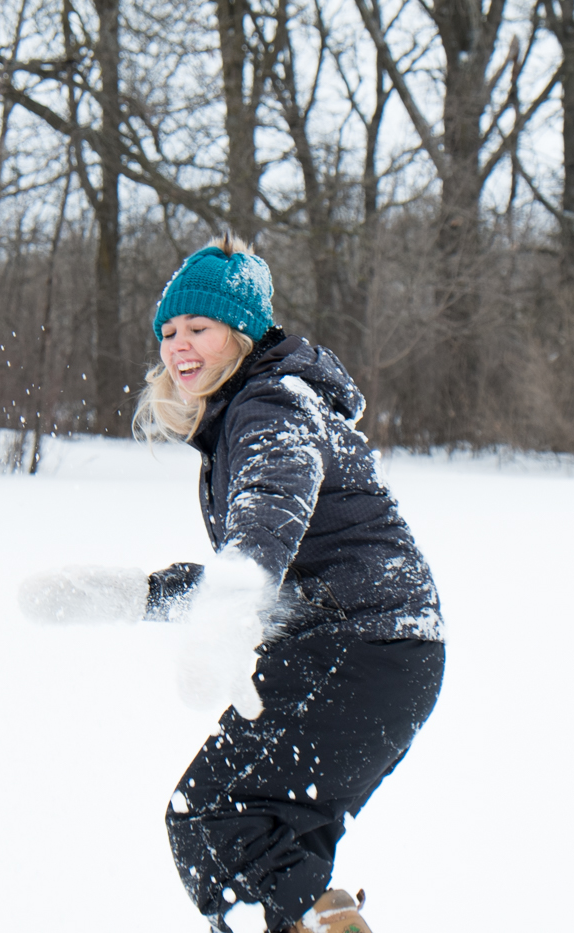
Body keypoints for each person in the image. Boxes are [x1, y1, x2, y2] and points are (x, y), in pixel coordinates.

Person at [133, 235, 446, 933]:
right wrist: (139, 595)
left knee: (215, 819)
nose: (179, 345)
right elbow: (269, 570)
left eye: (199, 327)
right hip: (381, 652)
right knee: (272, 843)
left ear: (241, 333)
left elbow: (264, 529)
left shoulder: (271, 408)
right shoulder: (253, 408)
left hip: (361, 649)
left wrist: (226, 608)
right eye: (170, 330)